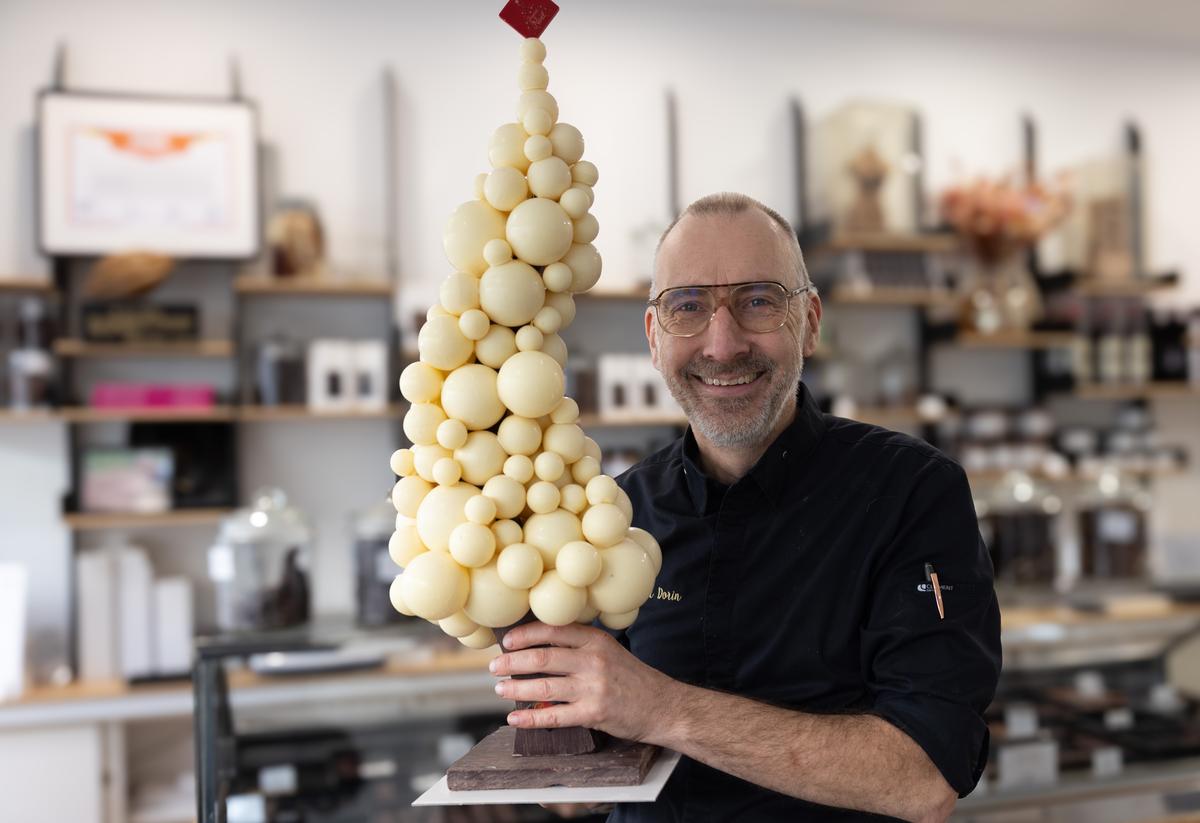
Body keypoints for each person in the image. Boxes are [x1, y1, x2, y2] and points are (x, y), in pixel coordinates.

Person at [489, 193, 1002, 822]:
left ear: (810, 322)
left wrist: (660, 707)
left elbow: (924, 780)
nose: (723, 343)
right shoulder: (611, 512)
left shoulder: (912, 493)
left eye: (759, 300)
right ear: (654, 337)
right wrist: (539, 684)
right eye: (688, 307)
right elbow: (574, 799)